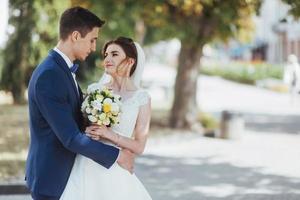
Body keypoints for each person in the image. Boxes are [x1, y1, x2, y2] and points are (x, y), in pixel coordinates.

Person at [26, 7, 135, 200]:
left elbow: (73, 118)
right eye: (92, 40)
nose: (94, 48)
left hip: (67, 176)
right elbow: (70, 138)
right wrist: (118, 156)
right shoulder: (50, 75)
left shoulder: (61, 70)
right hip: (52, 179)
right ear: (75, 36)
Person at [60, 37, 152, 200]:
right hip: (87, 164)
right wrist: (89, 129)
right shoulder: (95, 90)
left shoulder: (142, 98)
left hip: (116, 169)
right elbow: (79, 129)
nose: (107, 59)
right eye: (106, 55)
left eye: (114, 54)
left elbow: (139, 146)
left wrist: (110, 135)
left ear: (130, 61)